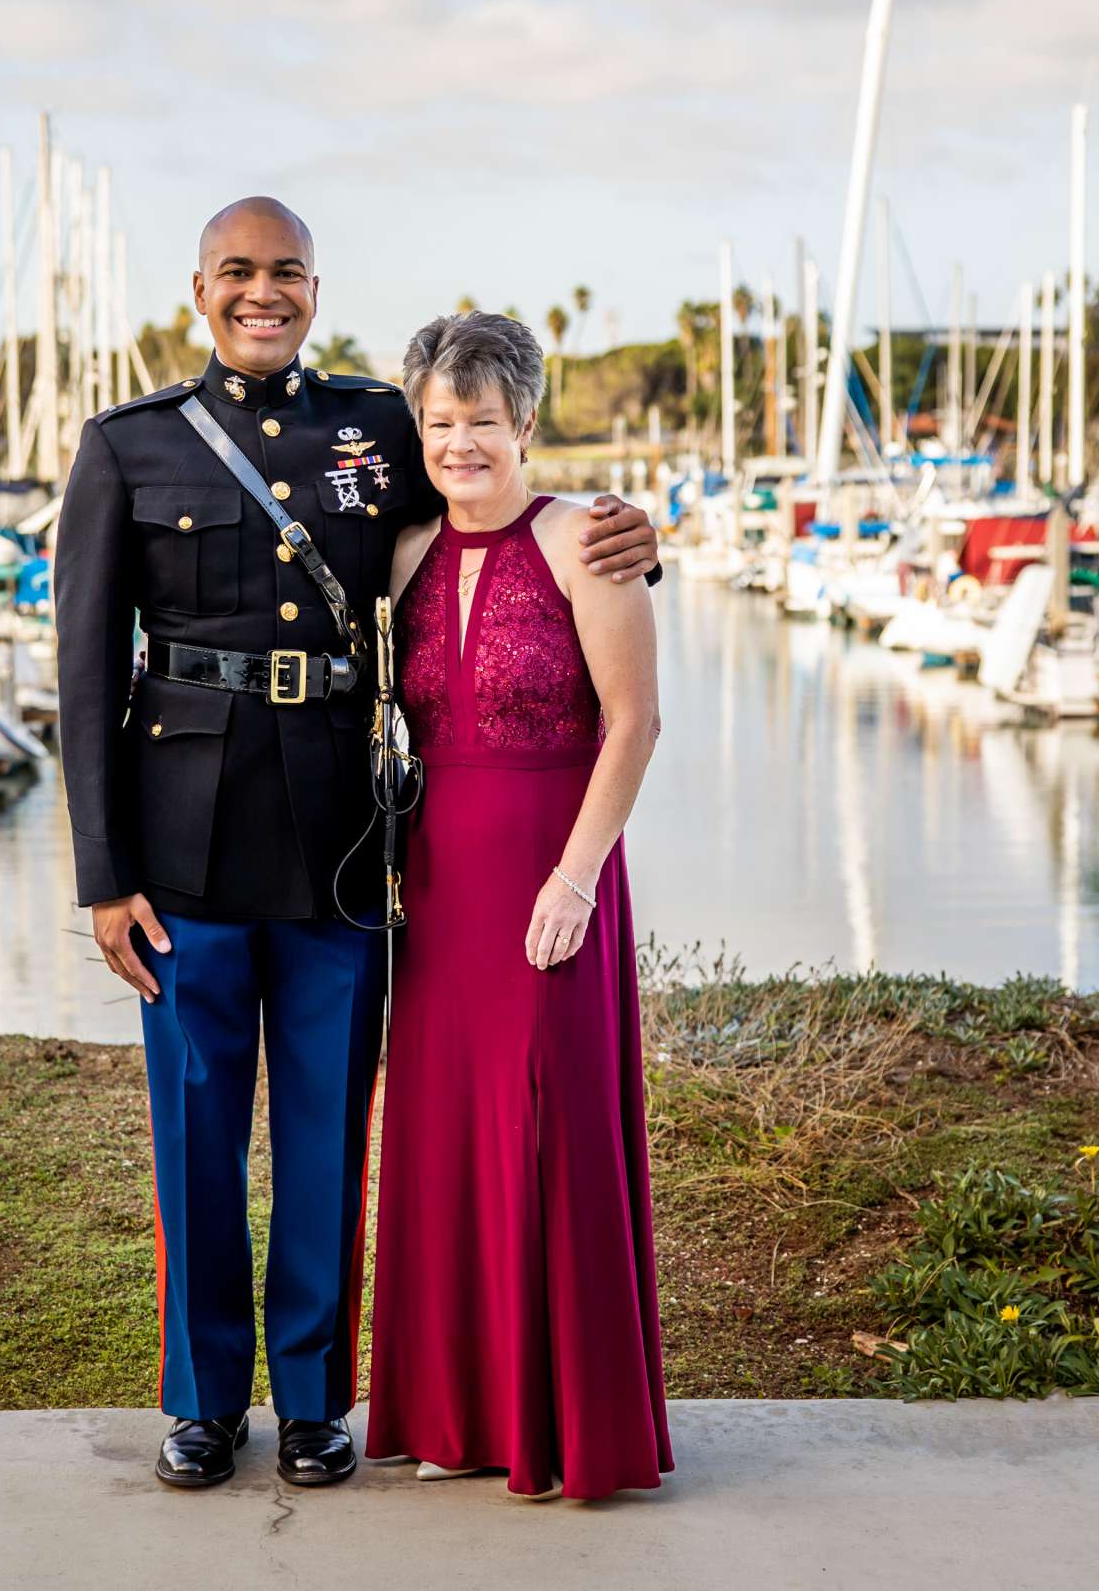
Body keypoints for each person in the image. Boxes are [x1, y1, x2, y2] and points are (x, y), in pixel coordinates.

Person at [54, 197, 660, 1492]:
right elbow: (85, 670)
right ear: (198, 288)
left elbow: (493, 496)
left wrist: (638, 538)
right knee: (196, 1130)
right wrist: (104, 876)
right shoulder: (128, 449)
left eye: (285, 274)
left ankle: (319, 1400)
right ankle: (205, 1401)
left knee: (329, 1130)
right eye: (236, 272)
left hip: (339, 842)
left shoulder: (376, 426)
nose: (260, 293)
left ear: (317, 290)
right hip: (186, 847)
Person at [365, 311, 670, 1501]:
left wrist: (576, 874)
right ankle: (462, 1414)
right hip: (436, 887)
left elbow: (636, 723)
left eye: (481, 421)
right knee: (445, 1137)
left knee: (548, 1132)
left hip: (555, 876)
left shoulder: (587, 540)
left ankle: (567, 1423)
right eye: (438, 424)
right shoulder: (399, 557)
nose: (459, 445)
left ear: (526, 422)